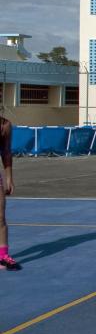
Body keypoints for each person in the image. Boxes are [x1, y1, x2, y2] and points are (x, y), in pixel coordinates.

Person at [0, 114, 20, 271]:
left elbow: (6, 152)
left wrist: (9, 178)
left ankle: (3, 257)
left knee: (0, 216)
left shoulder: (5, 125)